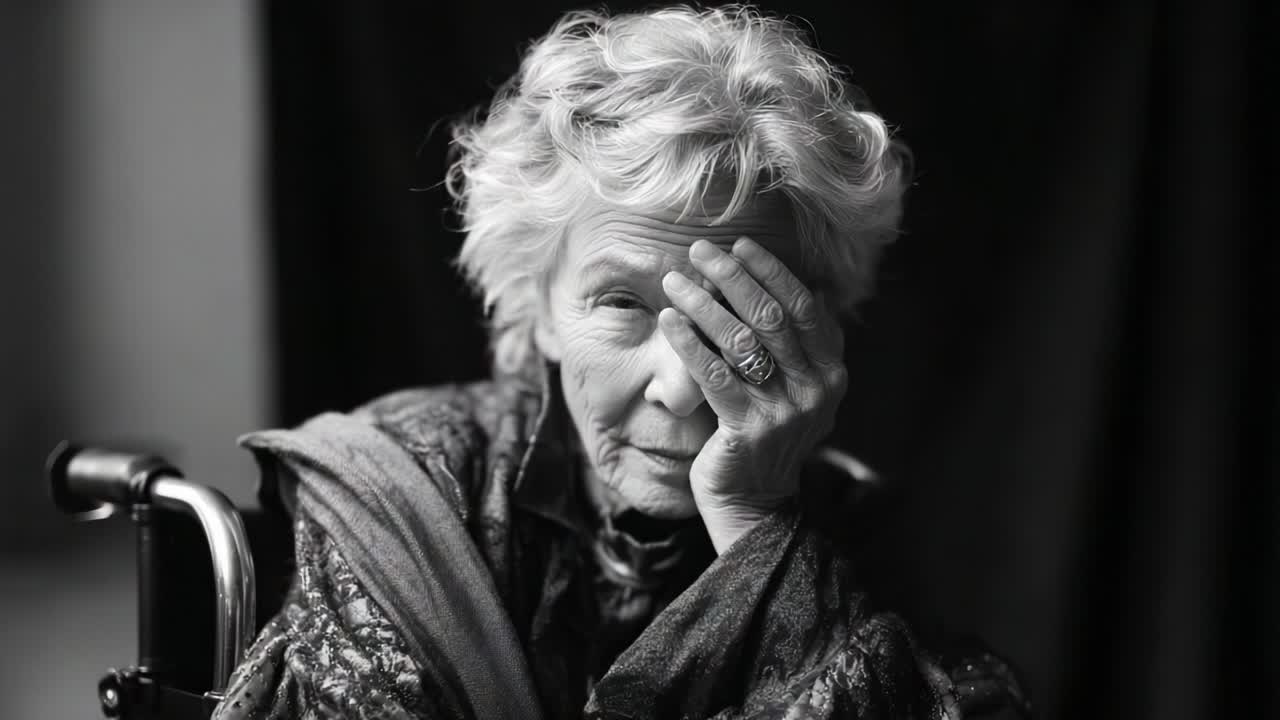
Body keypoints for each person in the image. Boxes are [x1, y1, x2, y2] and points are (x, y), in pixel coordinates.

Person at [215, 5, 1030, 718]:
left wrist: (758, 534)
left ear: (815, 327)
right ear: (538, 312)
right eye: (622, 304)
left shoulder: (852, 529)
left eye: (739, 309)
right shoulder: (404, 496)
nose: (680, 389)